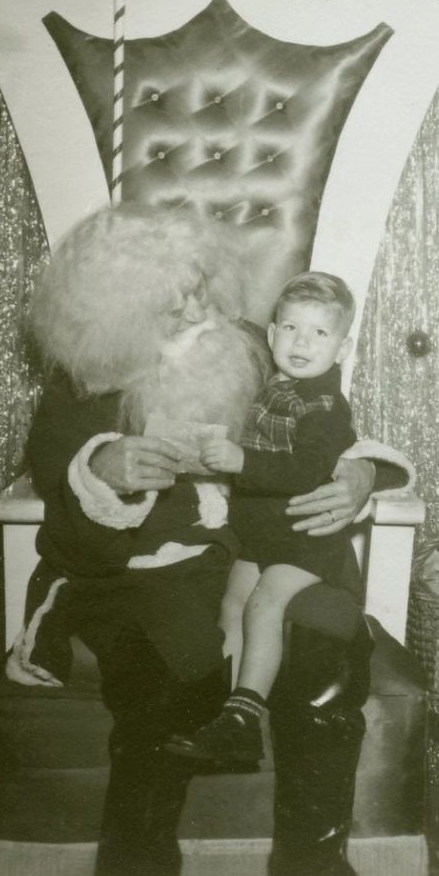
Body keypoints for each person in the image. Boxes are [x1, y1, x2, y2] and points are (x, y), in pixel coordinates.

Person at [5, 205, 409, 876]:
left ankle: (312, 867)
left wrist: (365, 474)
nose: (197, 309)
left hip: (261, 560)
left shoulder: (254, 346)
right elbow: (67, 528)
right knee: (172, 671)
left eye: (200, 287)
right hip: (137, 577)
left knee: (324, 647)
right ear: (112, 308)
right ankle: (138, 871)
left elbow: (329, 425)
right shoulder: (76, 387)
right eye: (171, 301)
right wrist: (100, 470)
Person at [166, 272, 359, 765]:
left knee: (263, 605)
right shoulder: (271, 382)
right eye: (291, 328)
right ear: (272, 335)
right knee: (232, 603)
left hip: (305, 540)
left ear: (343, 346)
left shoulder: (323, 403)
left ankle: (245, 716)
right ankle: (225, 716)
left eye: (320, 333)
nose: (302, 342)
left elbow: (311, 468)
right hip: (261, 534)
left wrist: (241, 462)